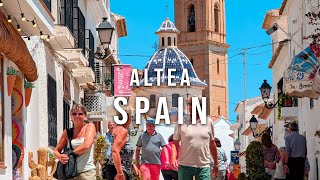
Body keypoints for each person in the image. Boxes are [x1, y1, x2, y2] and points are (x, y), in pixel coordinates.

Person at [171, 96, 219, 180]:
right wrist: (173, 158)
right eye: (189, 104)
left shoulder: (208, 122)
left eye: (191, 104)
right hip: (185, 165)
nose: (189, 107)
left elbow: (212, 144)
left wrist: (216, 164)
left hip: (203, 166)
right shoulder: (181, 122)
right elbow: (175, 144)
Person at [54, 104, 96, 180]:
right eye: (74, 114)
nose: (77, 116)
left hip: (87, 172)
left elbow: (86, 145)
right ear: (71, 117)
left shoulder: (90, 126)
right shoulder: (67, 132)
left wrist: (70, 154)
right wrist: (60, 157)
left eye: (80, 114)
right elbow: (56, 151)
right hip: (71, 173)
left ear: (85, 116)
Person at [104, 106, 139, 180]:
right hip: (118, 171)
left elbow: (123, 154)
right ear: (128, 117)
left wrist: (132, 165)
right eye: (131, 116)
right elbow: (115, 151)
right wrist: (120, 173)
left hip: (121, 170)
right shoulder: (122, 131)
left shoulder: (119, 129)